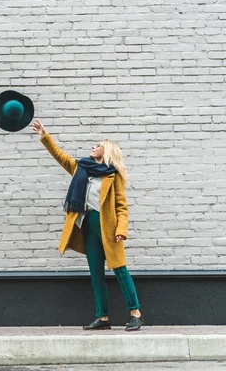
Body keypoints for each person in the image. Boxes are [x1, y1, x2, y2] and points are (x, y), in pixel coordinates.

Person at [32, 119, 143, 331]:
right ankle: (102, 317)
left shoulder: (113, 176)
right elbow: (60, 156)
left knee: (120, 269)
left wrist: (121, 230)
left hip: (108, 227)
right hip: (88, 226)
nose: (93, 147)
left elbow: (121, 206)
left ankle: (135, 313)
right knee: (96, 272)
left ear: (107, 151)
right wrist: (44, 135)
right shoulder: (81, 168)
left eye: (97, 145)